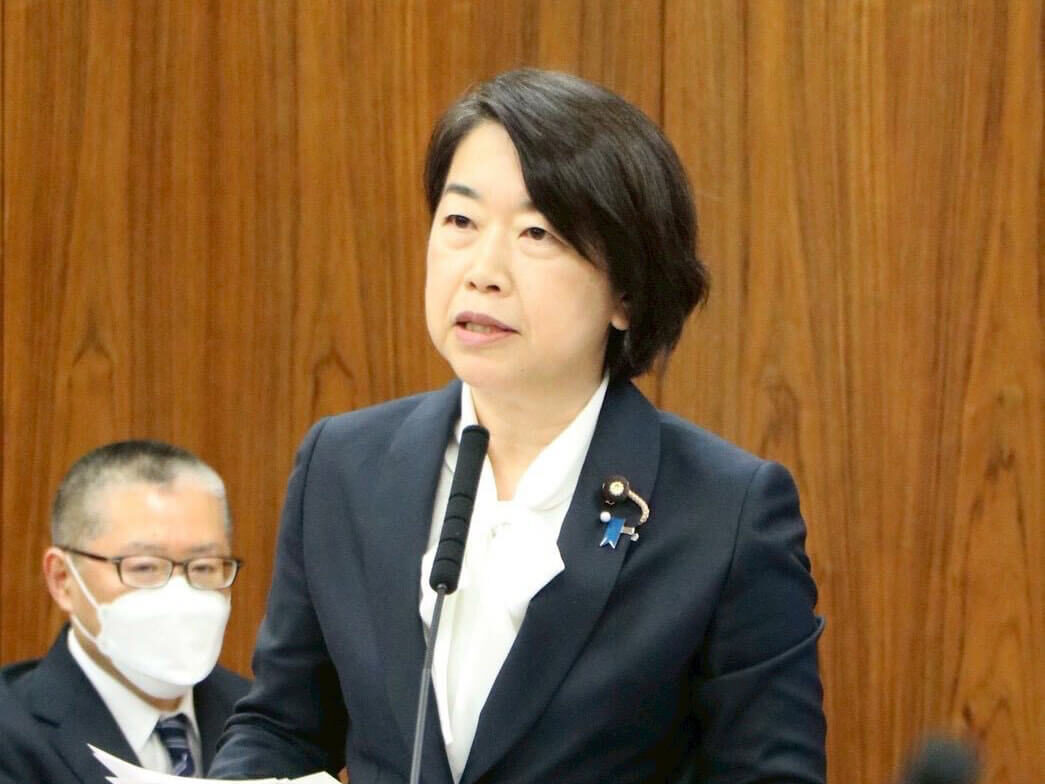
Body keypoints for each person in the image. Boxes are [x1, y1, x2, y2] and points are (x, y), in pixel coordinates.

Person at [210, 68, 825, 783]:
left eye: (536, 233)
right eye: (460, 222)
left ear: (626, 293)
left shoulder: (725, 511)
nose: (483, 271)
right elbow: (283, 727)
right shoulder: (343, 465)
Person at [0, 440, 250, 783]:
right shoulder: (10, 732)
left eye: (204, 567)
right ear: (62, 579)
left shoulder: (265, 720)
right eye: (144, 567)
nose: (179, 594)